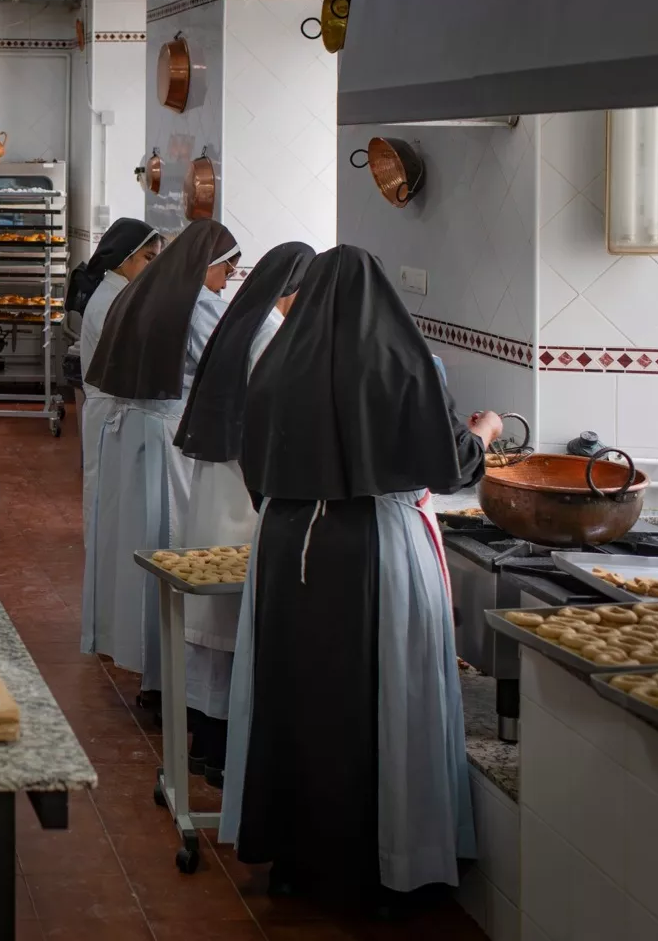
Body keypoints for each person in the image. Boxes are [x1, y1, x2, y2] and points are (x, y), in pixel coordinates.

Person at [221, 246, 498, 913]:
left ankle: (294, 858)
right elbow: (454, 464)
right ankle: (384, 863)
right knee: (380, 696)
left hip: (288, 544)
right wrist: (485, 434)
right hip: (377, 545)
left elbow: (253, 460)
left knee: (293, 694)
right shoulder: (403, 361)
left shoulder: (276, 361)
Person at [171, 242, 316, 786]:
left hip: (218, 486)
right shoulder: (272, 336)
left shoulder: (242, 323)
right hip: (242, 495)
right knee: (235, 632)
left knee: (219, 635)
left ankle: (208, 746)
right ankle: (225, 754)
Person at [80, 219, 240, 701]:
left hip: (131, 433)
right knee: (168, 546)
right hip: (166, 437)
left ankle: (144, 658)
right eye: (226, 271)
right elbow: (224, 366)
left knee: (134, 543)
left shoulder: (142, 290)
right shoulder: (199, 304)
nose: (225, 283)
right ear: (207, 266)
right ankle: (164, 670)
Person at [77, 219, 162, 531]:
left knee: (114, 492)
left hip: (114, 409)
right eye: (148, 258)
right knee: (106, 492)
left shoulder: (121, 293)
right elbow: (128, 359)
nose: (153, 267)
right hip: (109, 410)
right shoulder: (111, 301)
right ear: (125, 258)